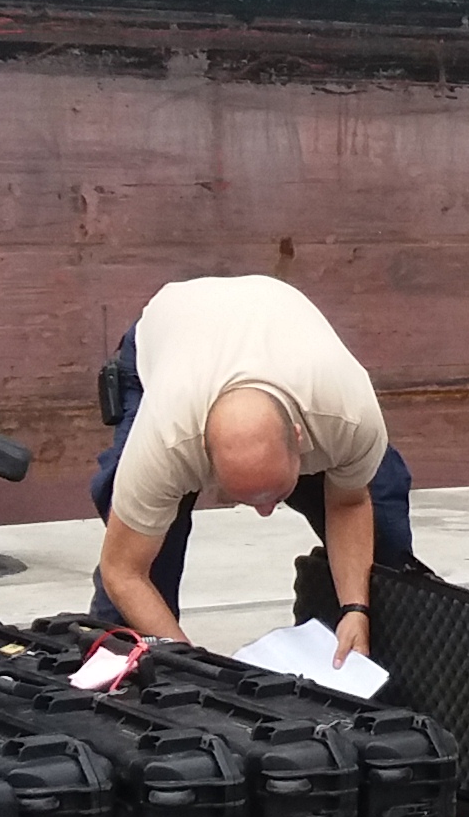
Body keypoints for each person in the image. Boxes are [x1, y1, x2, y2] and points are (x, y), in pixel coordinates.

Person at [89, 275, 412, 665]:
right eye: (240, 498)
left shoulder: (346, 414)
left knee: (383, 526)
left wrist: (356, 609)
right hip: (167, 336)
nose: (264, 513)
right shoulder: (167, 441)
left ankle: (369, 653)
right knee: (146, 558)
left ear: (300, 438)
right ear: (203, 457)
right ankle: (119, 675)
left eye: (276, 494)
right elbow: (123, 571)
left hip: (283, 342)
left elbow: (347, 505)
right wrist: (190, 664)